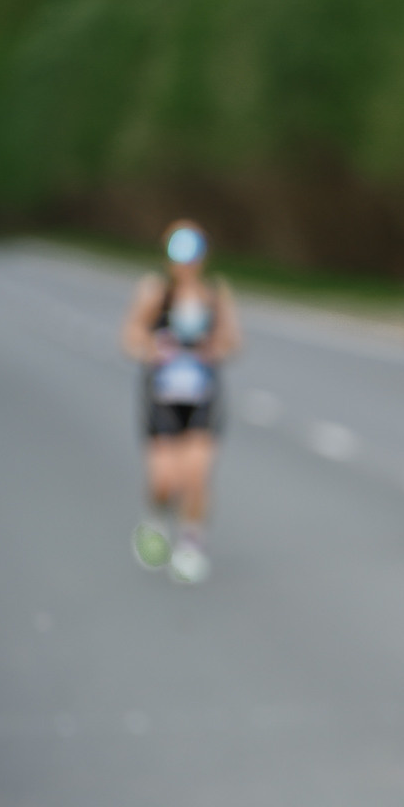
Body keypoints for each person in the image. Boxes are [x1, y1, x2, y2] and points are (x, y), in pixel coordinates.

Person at [120, 222, 241, 585]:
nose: (186, 265)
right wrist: (152, 348)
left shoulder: (215, 295)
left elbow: (233, 341)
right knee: (164, 479)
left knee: (196, 474)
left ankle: (191, 543)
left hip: (202, 396)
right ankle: (156, 519)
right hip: (163, 397)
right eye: (179, 256)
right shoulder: (155, 293)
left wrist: (213, 349)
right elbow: (131, 335)